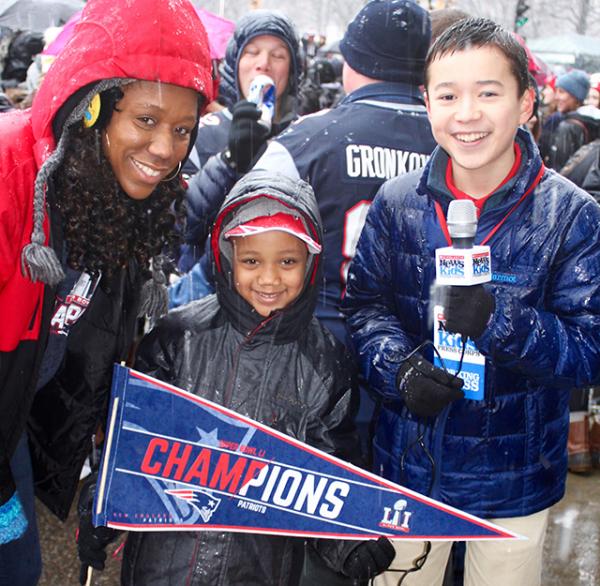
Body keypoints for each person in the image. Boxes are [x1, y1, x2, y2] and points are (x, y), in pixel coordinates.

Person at [343, 17, 600, 586]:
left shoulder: (572, 216)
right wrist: (399, 370)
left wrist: (498, 320)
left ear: (526, 101)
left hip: (515, 475)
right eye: (449, 95)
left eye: (489, 93)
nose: (467, 114)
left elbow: (590, 347)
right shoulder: (396, 201)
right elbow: (363, 307)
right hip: (410, 462)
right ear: (426, 104)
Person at [78, 170, 395, 585]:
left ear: (311, 263)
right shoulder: (178, 338)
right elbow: (131, 441)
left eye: (287, 261)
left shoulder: (326, 364)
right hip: (164, 564)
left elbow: (327, 480)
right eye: (251, 261)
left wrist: (351, 539)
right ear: (228, 258)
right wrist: (102, 498)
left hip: (259, 567)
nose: (268, 278)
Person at [0, 0, 214, 582]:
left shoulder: (119, 198)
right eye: (145, 120)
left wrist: (108, 468)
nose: (166, 149)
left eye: (182, 130)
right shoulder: (12, 174)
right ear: (89, 109)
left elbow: (98, 346)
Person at [254, 0, 436, 453]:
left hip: (317, 361)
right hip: (428, 367)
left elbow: (246, 251)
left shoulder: (303, 142)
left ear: (353, 61)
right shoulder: (459, 144)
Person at [177, 9, 303, 274]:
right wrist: (229, 162)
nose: (263, 64)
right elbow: (180, 225)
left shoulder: (305, 136)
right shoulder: (200, 132)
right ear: (235, 63)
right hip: (209, 291)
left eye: (278, 55)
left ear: (292, 71)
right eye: (252, 52)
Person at [539, 69, 600, 170]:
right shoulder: (591, 122)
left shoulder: (568, 127)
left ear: (576, 97)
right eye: (556, 91)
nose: (556, 96)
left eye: (561, 92)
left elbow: (560, 171)